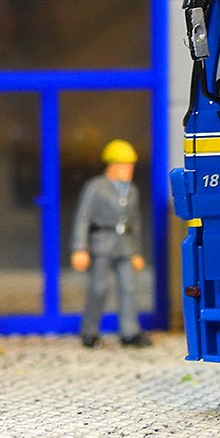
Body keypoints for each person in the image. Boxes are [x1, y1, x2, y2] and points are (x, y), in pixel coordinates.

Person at [70, 139, 152, 348]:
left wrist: (137, 252)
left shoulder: (131, 190)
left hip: (125, 245)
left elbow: (135, 223)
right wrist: (79, 248)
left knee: (129, 288)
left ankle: (129, 332)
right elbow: (83, 218)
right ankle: (89, 331)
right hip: (102, 244)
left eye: (131, 166)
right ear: (112, 166)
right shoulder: (96, 188)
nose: (129, 170)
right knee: (99, 288)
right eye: (125, 166)